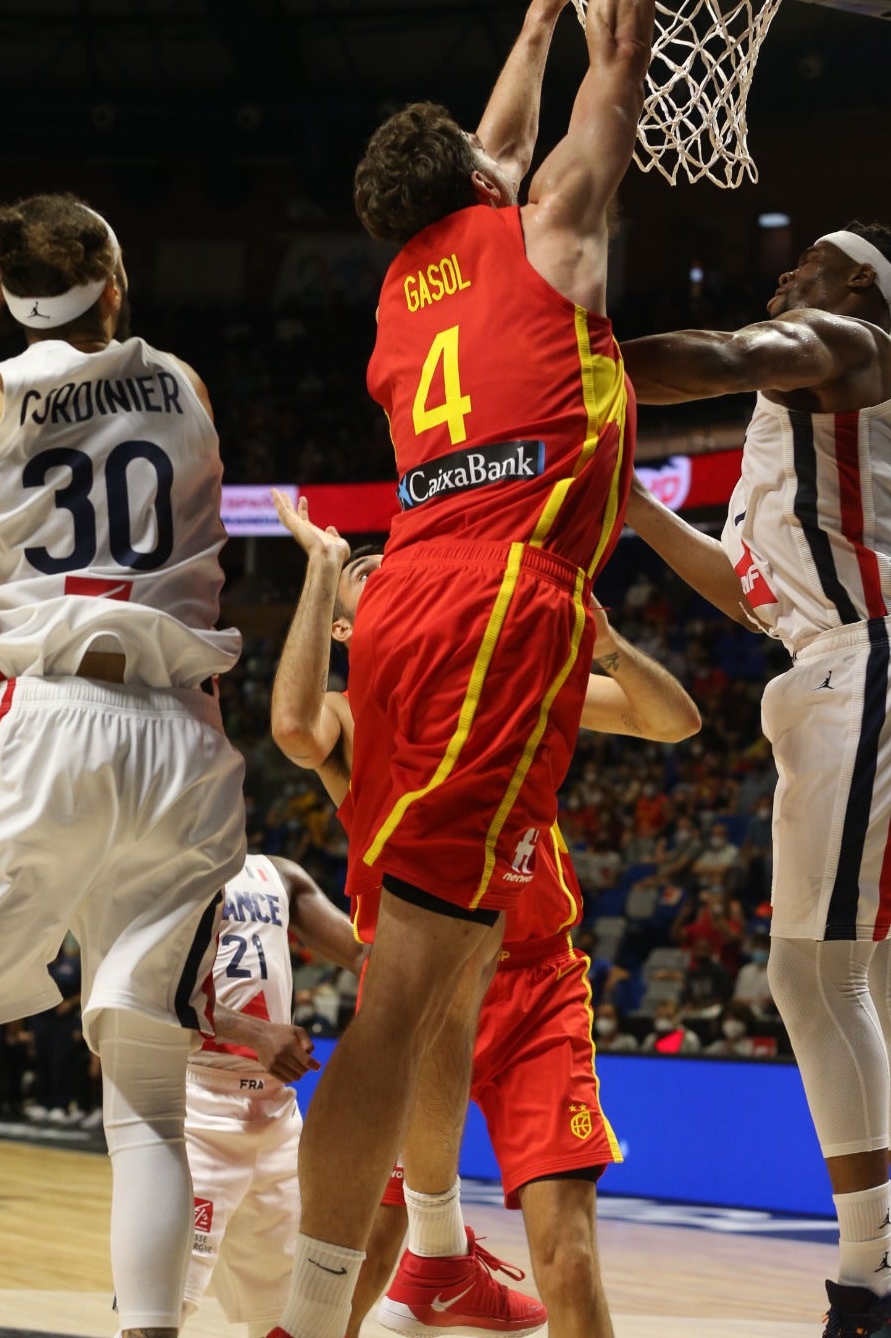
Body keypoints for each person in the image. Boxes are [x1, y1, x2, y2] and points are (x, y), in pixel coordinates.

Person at [263, 0, 679, 1338]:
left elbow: (503, 130)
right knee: (403, 990)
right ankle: (317, 1310)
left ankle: (424, 1248)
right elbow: (619, 82)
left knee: (444, 957)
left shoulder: (402, 288)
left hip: (418, 596)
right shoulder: (550, 236)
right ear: (486, 189)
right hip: (502, 600)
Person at [0, 192, 248, 1338]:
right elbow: (60, 425)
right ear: (112, 285)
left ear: (3, 295)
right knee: (148, 1097)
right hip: (183, 741)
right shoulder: (185, 384)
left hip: (50, 729)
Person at [269, 487, 700, 1338]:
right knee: (369, 1247)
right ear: (348, 629)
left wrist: (607, 648)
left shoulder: (509, 684)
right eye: (362, 571)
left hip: (537, 985)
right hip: (415, 992)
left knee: (567, 1257)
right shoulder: (351, 717)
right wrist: (321, 571)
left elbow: (673, 722)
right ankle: (405, 1280)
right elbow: (292, 728)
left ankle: (443, 1264)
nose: (380, 566)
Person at [621, 221, 891, 1336]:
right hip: (824, 660)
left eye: (810, 267)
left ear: (861, 286)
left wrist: (569, 351)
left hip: (862, 660)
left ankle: (868, 1276)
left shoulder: (852, 340)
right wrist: (634, 513)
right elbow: (744, 593)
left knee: (811, 979)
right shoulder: (792, 443)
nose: (787, 277)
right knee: (856, 976)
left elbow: (727, 356)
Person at [183, 853, 363, 1335]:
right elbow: (151, 991)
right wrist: (259, 1034)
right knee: (162, 1305)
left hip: (277, 1112)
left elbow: (364, 956)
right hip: (198, 1101)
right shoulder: (169, 861)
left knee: (284, 1314)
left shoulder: (278, 872)